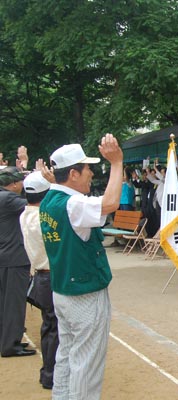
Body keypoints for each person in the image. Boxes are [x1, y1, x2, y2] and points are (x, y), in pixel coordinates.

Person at [40, 135, 123, 399]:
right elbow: (110, 203)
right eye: (86, 168)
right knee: (87, 364)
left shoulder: (49, 201)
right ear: (73, 174)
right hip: (85, 295)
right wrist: (117, 162)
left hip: (63, 291)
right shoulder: (73, 204)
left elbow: (65, 191)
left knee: (67, 355)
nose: (90, 173)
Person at [20, 169, 57, 388]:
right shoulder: (41, 218)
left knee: (49, 327)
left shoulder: (25, 214)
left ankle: (49, 372)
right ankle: (51, 375)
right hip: (49, 276)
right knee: (54, 329)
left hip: (41, 277)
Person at [0, 166, 36, 358]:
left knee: (3, 302)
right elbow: (35, 203)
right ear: (13, 184)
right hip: (13, 257)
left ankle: (4, 339)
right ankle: (11, 344)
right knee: (14, 302)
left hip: (4, 257)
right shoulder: (8, 199)